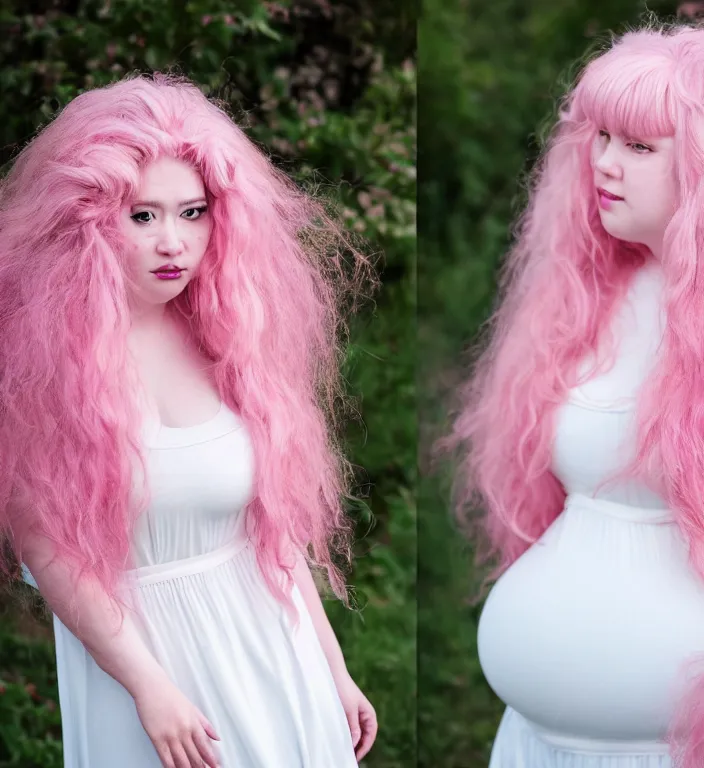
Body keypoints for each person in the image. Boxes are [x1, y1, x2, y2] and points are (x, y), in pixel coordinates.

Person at [0, 71, 378, 768]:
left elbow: (272, 538)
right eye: (142, 216)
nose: (173, 241)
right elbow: (51, 556)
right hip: (148, 675)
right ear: (85, 219)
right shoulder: (39, 364)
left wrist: (332, 669)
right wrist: (149, 686)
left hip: (272, 651)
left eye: (193, 212)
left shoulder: (224, 340)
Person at [442, 20, 704, 768]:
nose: (606, 165)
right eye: (600, 138)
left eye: (640, 147)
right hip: (538, 739)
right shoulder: (586, 299)